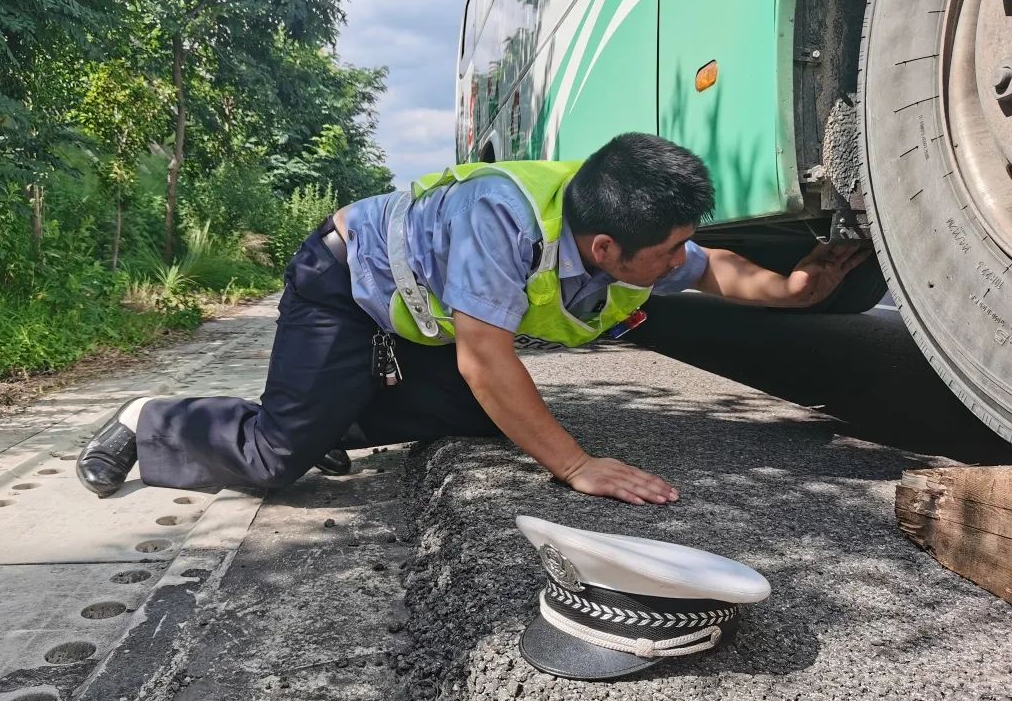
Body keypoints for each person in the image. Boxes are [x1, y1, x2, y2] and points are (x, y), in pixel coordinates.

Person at [76, 133, 866, 505]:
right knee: (275, 457)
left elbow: (715, 270)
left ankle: (323, 422)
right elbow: (487, 360)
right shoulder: (503, 220)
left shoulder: (622, 233)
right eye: (667, 253)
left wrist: (792, 290)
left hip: (416, 319)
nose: (679, 263)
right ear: (604, 245)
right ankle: (152, 421)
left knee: (483, 419)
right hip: (343, 281)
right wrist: (575, 465)